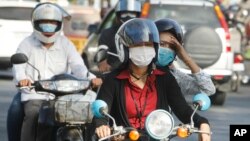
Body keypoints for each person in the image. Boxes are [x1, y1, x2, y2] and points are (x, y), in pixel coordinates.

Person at [93, 18, 211, 141]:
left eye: (148, 45)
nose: (144, 49)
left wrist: (202, 122)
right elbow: (101, 111)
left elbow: (182, 109)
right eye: (138, 45)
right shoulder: (113, 79)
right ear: (125, 48)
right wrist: (102, 126)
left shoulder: (164, 77)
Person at [7, 2, 102, 141]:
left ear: (59, 24)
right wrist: (23, 79)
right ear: (35, 23)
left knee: (84, 114)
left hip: (63, 96)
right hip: (35, 94)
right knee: (33, 112)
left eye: (52, 22)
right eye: (44, 22)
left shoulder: (66, 44)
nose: (48, 26)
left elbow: (78, 66)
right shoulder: (26, 44)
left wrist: (91, 78)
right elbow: (19, 68)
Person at [154, 18, 216, 96]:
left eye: (172, 47)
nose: (166, 49)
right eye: (162, 44)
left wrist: (186, 59)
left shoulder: (176, 78)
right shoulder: (139, 72)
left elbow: (208, 89)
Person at [97, 0, 141, 73]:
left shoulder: (144, 34)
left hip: (138, 73)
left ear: (138, 16)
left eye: (132, 14)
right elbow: (102, 60)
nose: (128, 17)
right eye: (124, 14)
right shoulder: (107, 33)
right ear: (118, 16)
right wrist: (104, 64)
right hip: (114, 74)